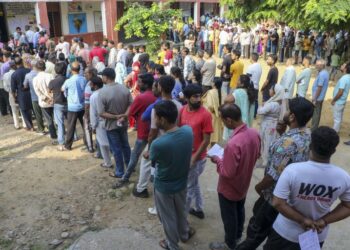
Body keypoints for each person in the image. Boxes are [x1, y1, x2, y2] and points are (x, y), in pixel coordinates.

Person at [236, 97, 314, 250]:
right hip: (291, 195)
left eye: (288, 110)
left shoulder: (287, 143)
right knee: (271, 228)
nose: (284, 112)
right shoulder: (307, 134)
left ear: (292, 116)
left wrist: (259, 188)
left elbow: (273, 175)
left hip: (273, 196)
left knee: (256, 232)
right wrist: (283, 132)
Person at [263, 126, 350, 250]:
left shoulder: (292, 171)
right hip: (316, 235)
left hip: (285, 233)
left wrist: (302, 220)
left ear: (310, 145)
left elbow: (278, 203)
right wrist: (324, 221)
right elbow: (348, 206)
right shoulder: (343, 177)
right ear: (333, 151)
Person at [209, 103, 261, 250]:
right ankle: (238, 235)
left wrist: (217, 160)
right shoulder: (254, 133)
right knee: (239, 209)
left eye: (223, 121)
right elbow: (257, 154)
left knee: (229, 216)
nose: (223, 124)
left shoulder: (233, 143)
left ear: (229, 120)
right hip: (244, 183)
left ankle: (230, 244)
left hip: (229, 188)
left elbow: (227, 173)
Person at [150, 100, 195, 250]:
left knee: (168, 218)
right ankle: (184, 233)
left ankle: (172, 245)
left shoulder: (159, 143)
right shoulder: (188, 131)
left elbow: (153, 159)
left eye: (156, 117)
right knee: (181, 211)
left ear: (162, 119)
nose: (155, 120)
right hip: (181, 181)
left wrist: (146, 154)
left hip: (164, 186)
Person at [133, 75, 182, 199]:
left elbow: (153, 131)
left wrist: (149, 149)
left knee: (147, 163)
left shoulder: (157, 108)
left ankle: (141, 188)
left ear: (160, 87)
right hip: (175, 142)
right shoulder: (179, 105)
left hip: (159, 142)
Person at [113, 73, 157, 188]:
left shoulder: (141, 98)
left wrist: (121, 119)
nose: (138, 83)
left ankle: (126, 177)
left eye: (140, 81)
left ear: (145, 84)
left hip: (143, 132)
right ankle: (153, 175)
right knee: (154, 154)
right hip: (156, 131)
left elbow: (130, 113)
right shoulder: (156, 96)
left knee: (135, 156)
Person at [179, 84, 213, 219]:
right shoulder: (182, 110)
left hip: (197, 158)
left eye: (200, 96)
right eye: (195, 96)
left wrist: (193, 159)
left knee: (188, 188)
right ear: (187, 98)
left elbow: (206, 141)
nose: (199, 99)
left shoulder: (205, 115)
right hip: (185, 156)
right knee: (193, 183)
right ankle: (199, 208)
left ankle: (183, 220)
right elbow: (178, 130)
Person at [98, 68, 132, 178]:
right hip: (123, 123)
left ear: (106, 77)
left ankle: (119, 171)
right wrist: (124, 115)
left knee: (116, 149)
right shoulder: (124, 88)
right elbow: (131, 105)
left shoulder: (102, 92)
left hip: (111, 125)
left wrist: (115, 116)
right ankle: (130, 166)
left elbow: (101, 113)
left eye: (102, 76)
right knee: (125, 145)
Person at [60, 61, 87, 151]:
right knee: (85, 126)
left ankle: (68, 146)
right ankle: (88, 143)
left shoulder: (68, 81)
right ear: (79, 70)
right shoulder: (84, 79)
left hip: (72, 107)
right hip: (83, 106)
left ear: (71, 70)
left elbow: (62, 89)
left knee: (71, 127)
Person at [256, 84, 284, 168]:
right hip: (272, 124)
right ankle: (265, 159)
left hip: (268, 125)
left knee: (266, 141)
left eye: (271, 89)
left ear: (275, 92)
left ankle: (265, 161)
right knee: (268, 140)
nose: (269, 90)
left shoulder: (272, 104)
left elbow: (260, 111)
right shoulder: (277, 103)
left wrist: (261, 105)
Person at [89, 76, 112, 168]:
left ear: (95, 86)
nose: (90, 85)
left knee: (103, 144)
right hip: (111, 120)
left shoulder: (94, 96)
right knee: (112, 142)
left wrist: (93, 126)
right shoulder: (107, 92)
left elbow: (93, 113)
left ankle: (107, 162)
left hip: (100, 122)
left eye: (91, 84)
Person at [33, 60, 57, 143]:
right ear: (45, 67)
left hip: (44, 102)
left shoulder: (35, 79)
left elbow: (38, 92)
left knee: (49, 120)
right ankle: (61, 133)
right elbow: (54, 88)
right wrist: (51, 98)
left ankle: (54, 137)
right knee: (56, 118)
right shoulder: (50, 76)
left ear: (36, 68)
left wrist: (46, 99)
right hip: (53, 100)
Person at [23, 60, 45, 134]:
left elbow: (25, 86)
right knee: (46, 113)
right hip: (44, 96)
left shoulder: (28, 75)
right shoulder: (42, 74)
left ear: (31, 66)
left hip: (34, 97)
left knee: (38, 114)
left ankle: (41, 129)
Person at [48, 62, 67, 148]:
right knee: (70, 121)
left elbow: (49, 91)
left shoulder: (53, 81)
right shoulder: (67, 79)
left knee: (60, 123)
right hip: (68, 103)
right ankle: (74, 136)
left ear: (55, 70)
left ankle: (61, 141)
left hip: (58, 103)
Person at [11, 57, 33, 130]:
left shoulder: (14, 74)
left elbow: (13, 89)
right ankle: (32, 124)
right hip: (30, 92)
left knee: (24, 110)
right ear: (22, 62)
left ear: (15, 64)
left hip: (21, 94)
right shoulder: (29, 70)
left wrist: (14, 98)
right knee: (30, 109)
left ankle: (29, 126)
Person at [4, 61, 25, 129]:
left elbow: (5, 87)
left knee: (14, 110)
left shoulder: (6, 75)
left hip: (11, 93)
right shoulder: (18, 73)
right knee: (22, 108)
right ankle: (25, 123)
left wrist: (10, 91)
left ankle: (17, 125)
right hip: (20, 92)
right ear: (15, 66)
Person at [202, 77, 223, 146]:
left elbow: (210, 106)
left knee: (209, 136)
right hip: (219, 116)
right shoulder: (222, 92)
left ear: (214, 83)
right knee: (215, 136)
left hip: (211, 116)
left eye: (212, 81)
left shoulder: (211, 92)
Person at [331, 62, 350, 133]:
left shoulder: (344, 78)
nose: (341, 65)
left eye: (343, 65)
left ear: (345, 69)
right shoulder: (348, 77)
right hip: (342, 101)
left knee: (337, 119)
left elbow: (340, 92)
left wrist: (334, 100)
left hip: (338, 101)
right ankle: (336, 131)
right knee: (339, 118)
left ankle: (334, 133)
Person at [311, 59, 329, 131]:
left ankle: (313, 129)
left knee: (316, 114)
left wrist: (314, 98)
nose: (316, 66)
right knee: (317, 113)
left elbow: (319, 87)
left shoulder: (322, 74)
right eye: (316, 64)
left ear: (322, 65)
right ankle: (314, 127)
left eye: (318, 65)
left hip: (318, 98)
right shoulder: (325, 72)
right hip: (320, 97)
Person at [83, 66, 97, 153]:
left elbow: (87, 104)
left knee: (87, 127)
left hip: (92, 110)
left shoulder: (89, 85)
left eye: (86, 73)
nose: (84, 75)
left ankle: (90, 147)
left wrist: (86, 114)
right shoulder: (100, 81)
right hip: (100, 110)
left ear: (91, 74)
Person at [246, 52, 262, 117]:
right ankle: (254, 114)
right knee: (255, 100)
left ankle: (250, 114)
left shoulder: (251, 67)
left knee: (250, 101)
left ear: (252, 58)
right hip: (257, 85)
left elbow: (247, 77)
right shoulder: (259, 66)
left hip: (251, 86)